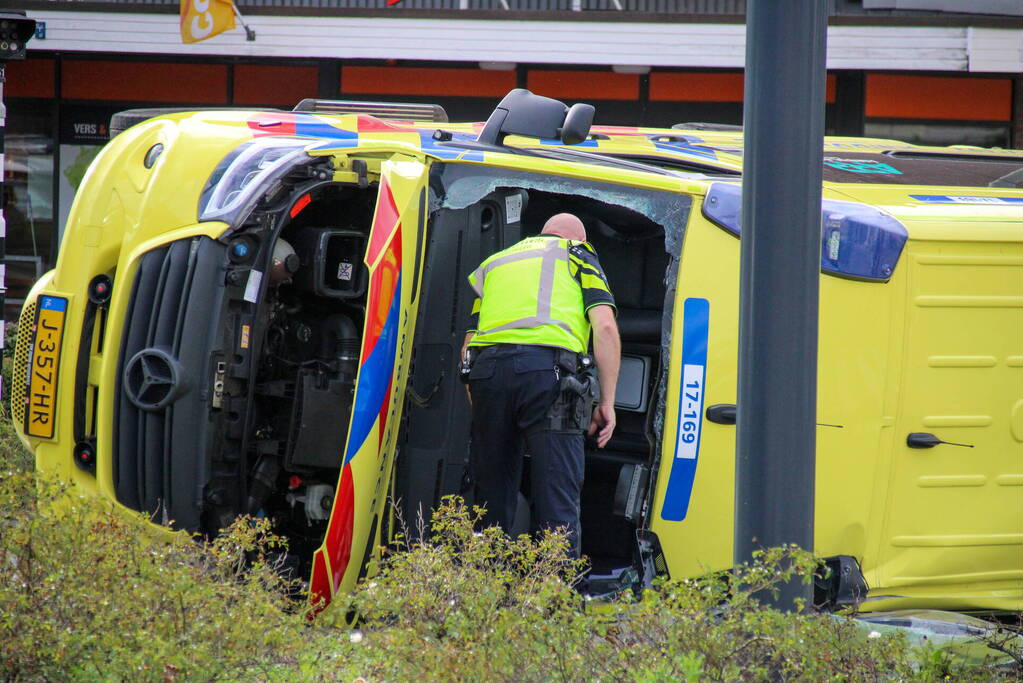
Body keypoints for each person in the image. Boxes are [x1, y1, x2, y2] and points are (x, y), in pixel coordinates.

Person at [461, 212, 620, 557]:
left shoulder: (497, 263)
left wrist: (477, 391)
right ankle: (554, 600)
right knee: (557, 493)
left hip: (487, 374)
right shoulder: (577, 254)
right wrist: (607, 401)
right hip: (550, 377)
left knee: (490, 498)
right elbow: (604, 327)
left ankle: (483, 593)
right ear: (575, 238)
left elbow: (469, 342)